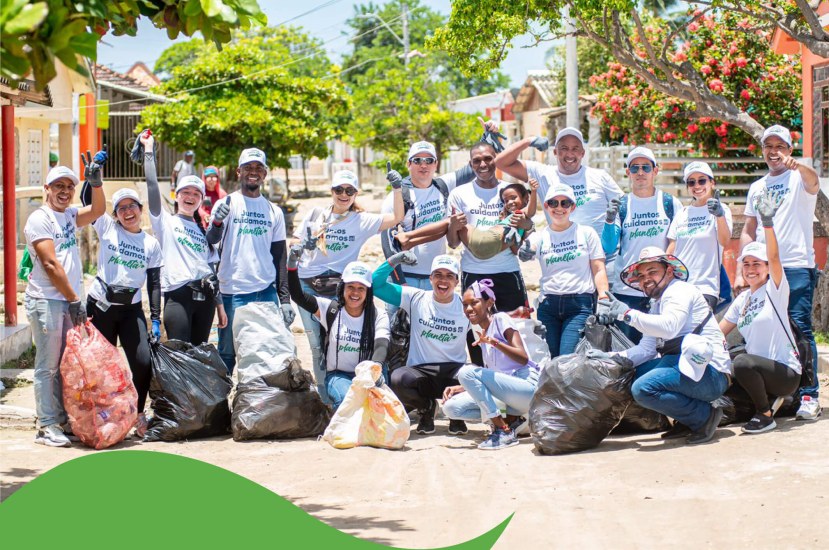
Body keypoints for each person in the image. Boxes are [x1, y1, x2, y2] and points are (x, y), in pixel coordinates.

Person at [596, 247, 732, 445]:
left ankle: (704, 417)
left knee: (643, 388)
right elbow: (646, 349)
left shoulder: (678, 291)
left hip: (711, 373)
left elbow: (669, 327)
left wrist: (627, 314)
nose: (646, 279)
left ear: (669, 271)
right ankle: (688, 420)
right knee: (631, 373)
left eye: (653, 272)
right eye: (641, 275)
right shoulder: (657, 303)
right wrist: (609, 358)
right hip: (689, 367)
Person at [292, 169, 404, 401]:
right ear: (331, 191)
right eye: (339, 190)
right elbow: (294, 242)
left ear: (355, 194)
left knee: (338, 342)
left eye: (349, 190)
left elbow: (397, 218)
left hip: (339, 289)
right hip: (308, 284)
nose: (344, 195)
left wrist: (397, 189)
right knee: (316, 346)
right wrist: (304, 245)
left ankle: (344, 392)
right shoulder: (315, 214)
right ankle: (324, 400)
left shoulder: (361, 220)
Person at [737, 125, 821, 420]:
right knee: (771, 329)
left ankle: (809, 394)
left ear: (788, 148)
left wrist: (800, 166)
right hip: (762, 267)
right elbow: (749, 229)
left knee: (799, 326)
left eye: (779, 146)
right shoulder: (757, 187)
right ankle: (782, 393)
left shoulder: (798, 177)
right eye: (767, 146)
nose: (773, 151)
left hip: (795, 264)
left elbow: (814, 184)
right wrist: (741, 269)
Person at [24, 156, 105, 447]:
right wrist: (74, 299)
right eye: (58, 185)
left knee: (65, 366)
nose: (64, 191)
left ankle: (60, 420)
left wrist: (95, 183)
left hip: (67, 301)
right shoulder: (40, 218)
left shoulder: (69, 215)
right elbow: (50, 264)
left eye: (69, 186)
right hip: (47, 301)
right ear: (46, 188)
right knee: (47, 366)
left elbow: (98, 210)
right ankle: (47, 426)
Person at [720, 195, 803, 433]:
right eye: (746, 264)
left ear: (767, 268)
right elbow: (718, 333)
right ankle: (766, 402)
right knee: (729, 366)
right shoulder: (743, 299)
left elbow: (775, 256)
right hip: (761, 371)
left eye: (758, 264)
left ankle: (765, 415)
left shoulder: (775, 290)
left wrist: (767, 223)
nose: (751, 269)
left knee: (743, 362)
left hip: (785, 373)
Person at [206, 148, 292, 373]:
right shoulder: (226, 204)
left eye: (258, 168)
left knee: (268, 351)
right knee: (227, 353)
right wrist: (216, 222)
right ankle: (222, 406)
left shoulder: (274, 211)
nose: (253, 172)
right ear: (238, 172)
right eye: (248, 168)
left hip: (265, 292)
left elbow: (280, 258)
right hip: (233, 292)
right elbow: (211, 243)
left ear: (264, 174)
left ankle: (260, 404)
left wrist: (284, 300)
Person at [86, 187, 163, 436]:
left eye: (132, 206)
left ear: (141, 210)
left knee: (142, 361)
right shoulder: (108, 228)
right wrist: (93, 181)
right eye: (122, 207)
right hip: (101, 308)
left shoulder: (151, 244)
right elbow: (88, 201)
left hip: (131, 311)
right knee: (101, 367)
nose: (128, 211)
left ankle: (137, 413)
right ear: (116, 214)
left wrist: (155, 318)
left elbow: (154, 283)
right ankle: (102, 417)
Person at [447, 141, 532, 364]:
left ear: (496, 159)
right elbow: (453, 242)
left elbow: (524, 227)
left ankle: (517, 382)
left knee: (518, 328)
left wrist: (525, 228)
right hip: (473, 271)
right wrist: (454, 227)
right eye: (477, 160)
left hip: (507, 270)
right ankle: (481, 377)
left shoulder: (509, 191)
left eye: (488, 159)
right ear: (470, 164)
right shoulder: (459, 194)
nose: (483, 164)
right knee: (477, 332)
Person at [141, 130, 227, 345]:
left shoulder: (202, 231)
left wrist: (220, 306)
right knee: (180, 353)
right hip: (177, 297)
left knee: (199, 356)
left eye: (196, 194)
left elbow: (211, 271)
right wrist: (149, 150)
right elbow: (152, 186)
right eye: (185, 192)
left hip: (205, 300)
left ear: (201, 200)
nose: (190, 197)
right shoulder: (165, 222)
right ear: (177, 196)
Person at [372, 252, 471, 436]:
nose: (443, 281)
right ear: (430, 278)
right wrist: (394, 260)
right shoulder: (415, 298)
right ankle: (427, 408)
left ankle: (456, 414)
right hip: (421, 372)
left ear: (457, 282)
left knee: (475, 376)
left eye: (449, 276)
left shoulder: (466, 306)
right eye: (438, 275)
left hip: (453, 372)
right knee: (397, 379)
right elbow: (375, 285)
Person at [441, 280, 540, 450]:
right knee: (451, 408)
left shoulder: (501, 319)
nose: (469, 309)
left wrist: (494, 342)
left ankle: (503, 430)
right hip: (507, 395)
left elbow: (523, 358)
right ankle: (512, 419)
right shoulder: (480, 331)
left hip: (527, 389)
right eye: (465, 305)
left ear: (489, 302)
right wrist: (463, 387)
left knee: (466, 372)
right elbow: (494, 375)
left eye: (474, 303)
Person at [601, 146, 683, 343]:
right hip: (627, 290)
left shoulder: (670, 203)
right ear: (628, 172)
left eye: (646, 167)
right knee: (627, 350)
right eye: (635, 167)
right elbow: (609, 247)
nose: (640, 172)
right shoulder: (622, 204)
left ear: (655, 171)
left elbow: (678, 245)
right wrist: (610, 220)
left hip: (660, 289)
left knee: (661, 348)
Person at [288, 257, 390, 409]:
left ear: (368, 291)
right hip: (338, 375)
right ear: (342, 287)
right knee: (347, 401)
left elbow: (381, 345)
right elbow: (298, 296)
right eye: (351, 287)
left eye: (361, 288)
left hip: (370, 375)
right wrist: (292, 267)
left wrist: (375, 368)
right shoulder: (331, 309)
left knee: (375, 407)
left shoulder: (378, 316)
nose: (355, 293)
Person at [521, 183, 609, 357]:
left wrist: (604, 300)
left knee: (567, 358)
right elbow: (524, 253)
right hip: (548, 306)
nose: (559, 208)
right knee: (550, 359)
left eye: (565, 203)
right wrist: (523, 250)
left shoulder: (586, 233)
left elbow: (598, 268)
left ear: (573, 207)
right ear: (546, 206)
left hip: (579, 305)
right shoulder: (540, 236)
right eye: (553, 203)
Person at [380, 140, 474, 293]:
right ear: (408, 164)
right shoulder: (396, 196)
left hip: (435, 278)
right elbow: (388, 246)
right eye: (417, 160)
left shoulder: (442, 185)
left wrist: (487, 137)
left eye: (428, 160)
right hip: (405, 277)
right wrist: (401, 283)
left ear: (435, 164)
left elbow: (473, 168)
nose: (423, 165)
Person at [494, 126, 623, 236]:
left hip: (602, 256)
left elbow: (624, 206)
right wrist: (529, 141)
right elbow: (501, 163)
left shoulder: (600, 176)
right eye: (564, 148)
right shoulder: (543, 173)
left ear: (582, 153)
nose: (570, 154)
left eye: (575, 149)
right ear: (555, 152)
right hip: (563, 255)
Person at [666, 161, 732, 311]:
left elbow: (725, 241)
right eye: (691, 182)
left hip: (705, 289)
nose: (697, 186)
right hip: (678, 287)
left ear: (712, 183)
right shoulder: (681, 213)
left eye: (702, 180)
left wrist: (719, 215)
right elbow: (671, 251)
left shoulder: (723, 210)